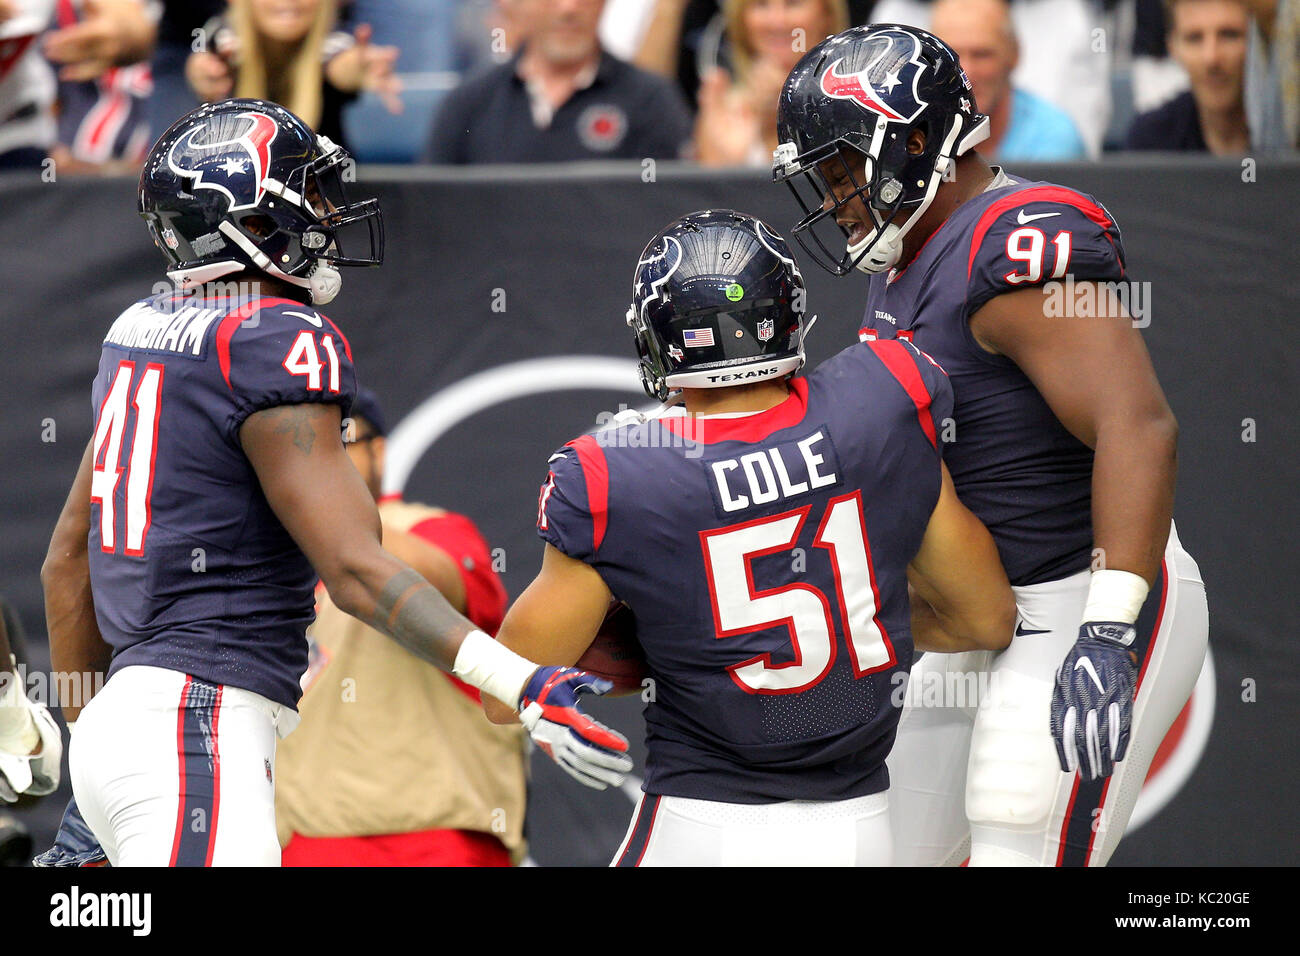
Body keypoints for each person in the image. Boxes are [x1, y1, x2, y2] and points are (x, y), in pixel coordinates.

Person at [39, 97, 631, 867]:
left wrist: (92, 738)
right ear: (250, 222)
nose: (327, 214)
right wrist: (520, 682)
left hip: (128, 726)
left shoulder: (137, 330)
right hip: (197, 722)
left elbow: (65, 560)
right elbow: (353, 568)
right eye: (308, 194)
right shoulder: (273, 335)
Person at [771, 24, 1209, 866]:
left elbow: (1137, 422)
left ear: (913, 142)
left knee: (1020, 836)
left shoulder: (1016, 243)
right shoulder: (909, 254)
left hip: (1082, 598)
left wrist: (1108, 628)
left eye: (841, 171)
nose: (835, 201)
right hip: (980, 614)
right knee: (877, 847)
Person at [485, 208, 1016, 866]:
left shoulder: (613, 476)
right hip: (862, 832)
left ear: (660, 338)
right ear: (787, 315)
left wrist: (688, 643)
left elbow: (504, 694)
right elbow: (988, 619)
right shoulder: (883, 398)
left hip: (704, 829)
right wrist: (866, 615)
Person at [274, 389, 529, 867]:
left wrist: (309, 501)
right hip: (301, 845)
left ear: (379, 449)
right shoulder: (259, 551)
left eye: (336, 444)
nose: (316, 463)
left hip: (438, 843)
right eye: (299, 449)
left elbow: (447, 583)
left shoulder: (430, 527)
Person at [425, 0, 692, 164]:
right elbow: (431, 214)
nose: (568, 7)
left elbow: (667, 212)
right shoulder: (467, 105)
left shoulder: (652, 101)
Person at [185, 0, 402, 151]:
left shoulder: (335, 40)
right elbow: (204, 63)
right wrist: (202, 75)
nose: (289, 1)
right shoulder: (224, 39)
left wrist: (357, 67)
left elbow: (341, 64)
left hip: (323, 192)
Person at [693, 0, 849, 166]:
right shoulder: (721, 108)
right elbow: (710, 189)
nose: (777, 22)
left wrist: (774, 132)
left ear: (826, 16)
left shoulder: (854, 104)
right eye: (761, 4)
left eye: (793, 4)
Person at [928, 0, 1086, 161]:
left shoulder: (1054, 140)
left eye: (982, 55)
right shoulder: (911, 130)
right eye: (951, 56)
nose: (966, 72)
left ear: (1014, 55)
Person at [1126, 0, 1253, 152]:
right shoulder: (1149, 142)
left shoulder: (1286, 131)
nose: (1211, 58)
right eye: (1194, 38)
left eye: (1229, 35)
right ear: (1172, 48)